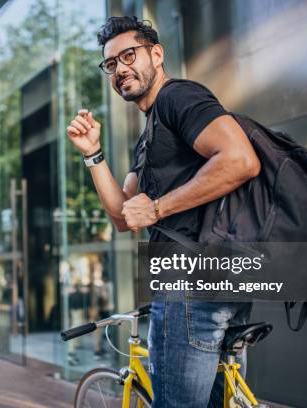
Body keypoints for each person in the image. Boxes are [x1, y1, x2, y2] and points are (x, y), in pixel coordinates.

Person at [66, 16, 261, 407]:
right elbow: (123, 217)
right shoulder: (150, 134)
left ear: (156, 53)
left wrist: (157, 208)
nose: (120, 68)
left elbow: (241, 160)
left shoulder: (177, 97)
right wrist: (93, 155)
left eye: (128, 55)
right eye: (110, 63)